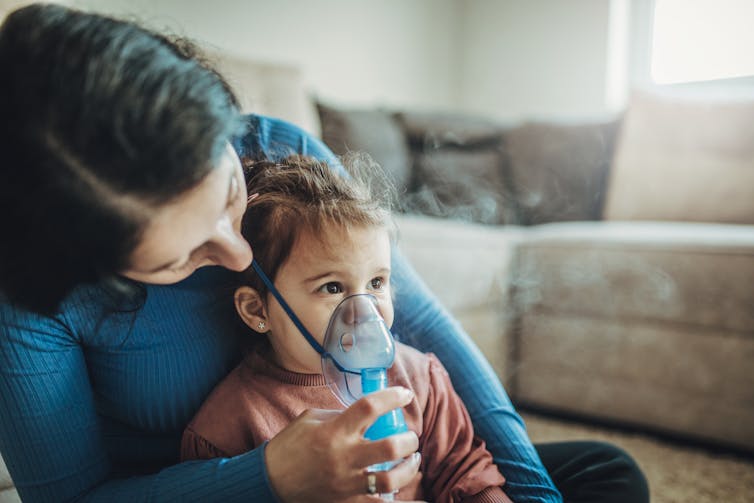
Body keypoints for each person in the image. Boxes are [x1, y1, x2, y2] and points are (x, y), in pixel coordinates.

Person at [0, 3, 648, 503]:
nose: (235, 255)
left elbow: (422, 326)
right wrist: (269, 476)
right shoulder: (29, 292)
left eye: (230, 194)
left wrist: (533, 490)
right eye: (181, 256)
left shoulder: (277, 152)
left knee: (603, 471)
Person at [181, 155, 511, 502]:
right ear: (256, 308)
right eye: (332, 288)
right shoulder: (229, 425)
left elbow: (467, 473)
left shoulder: (418, 379)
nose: (362, 311)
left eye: (377, 282)